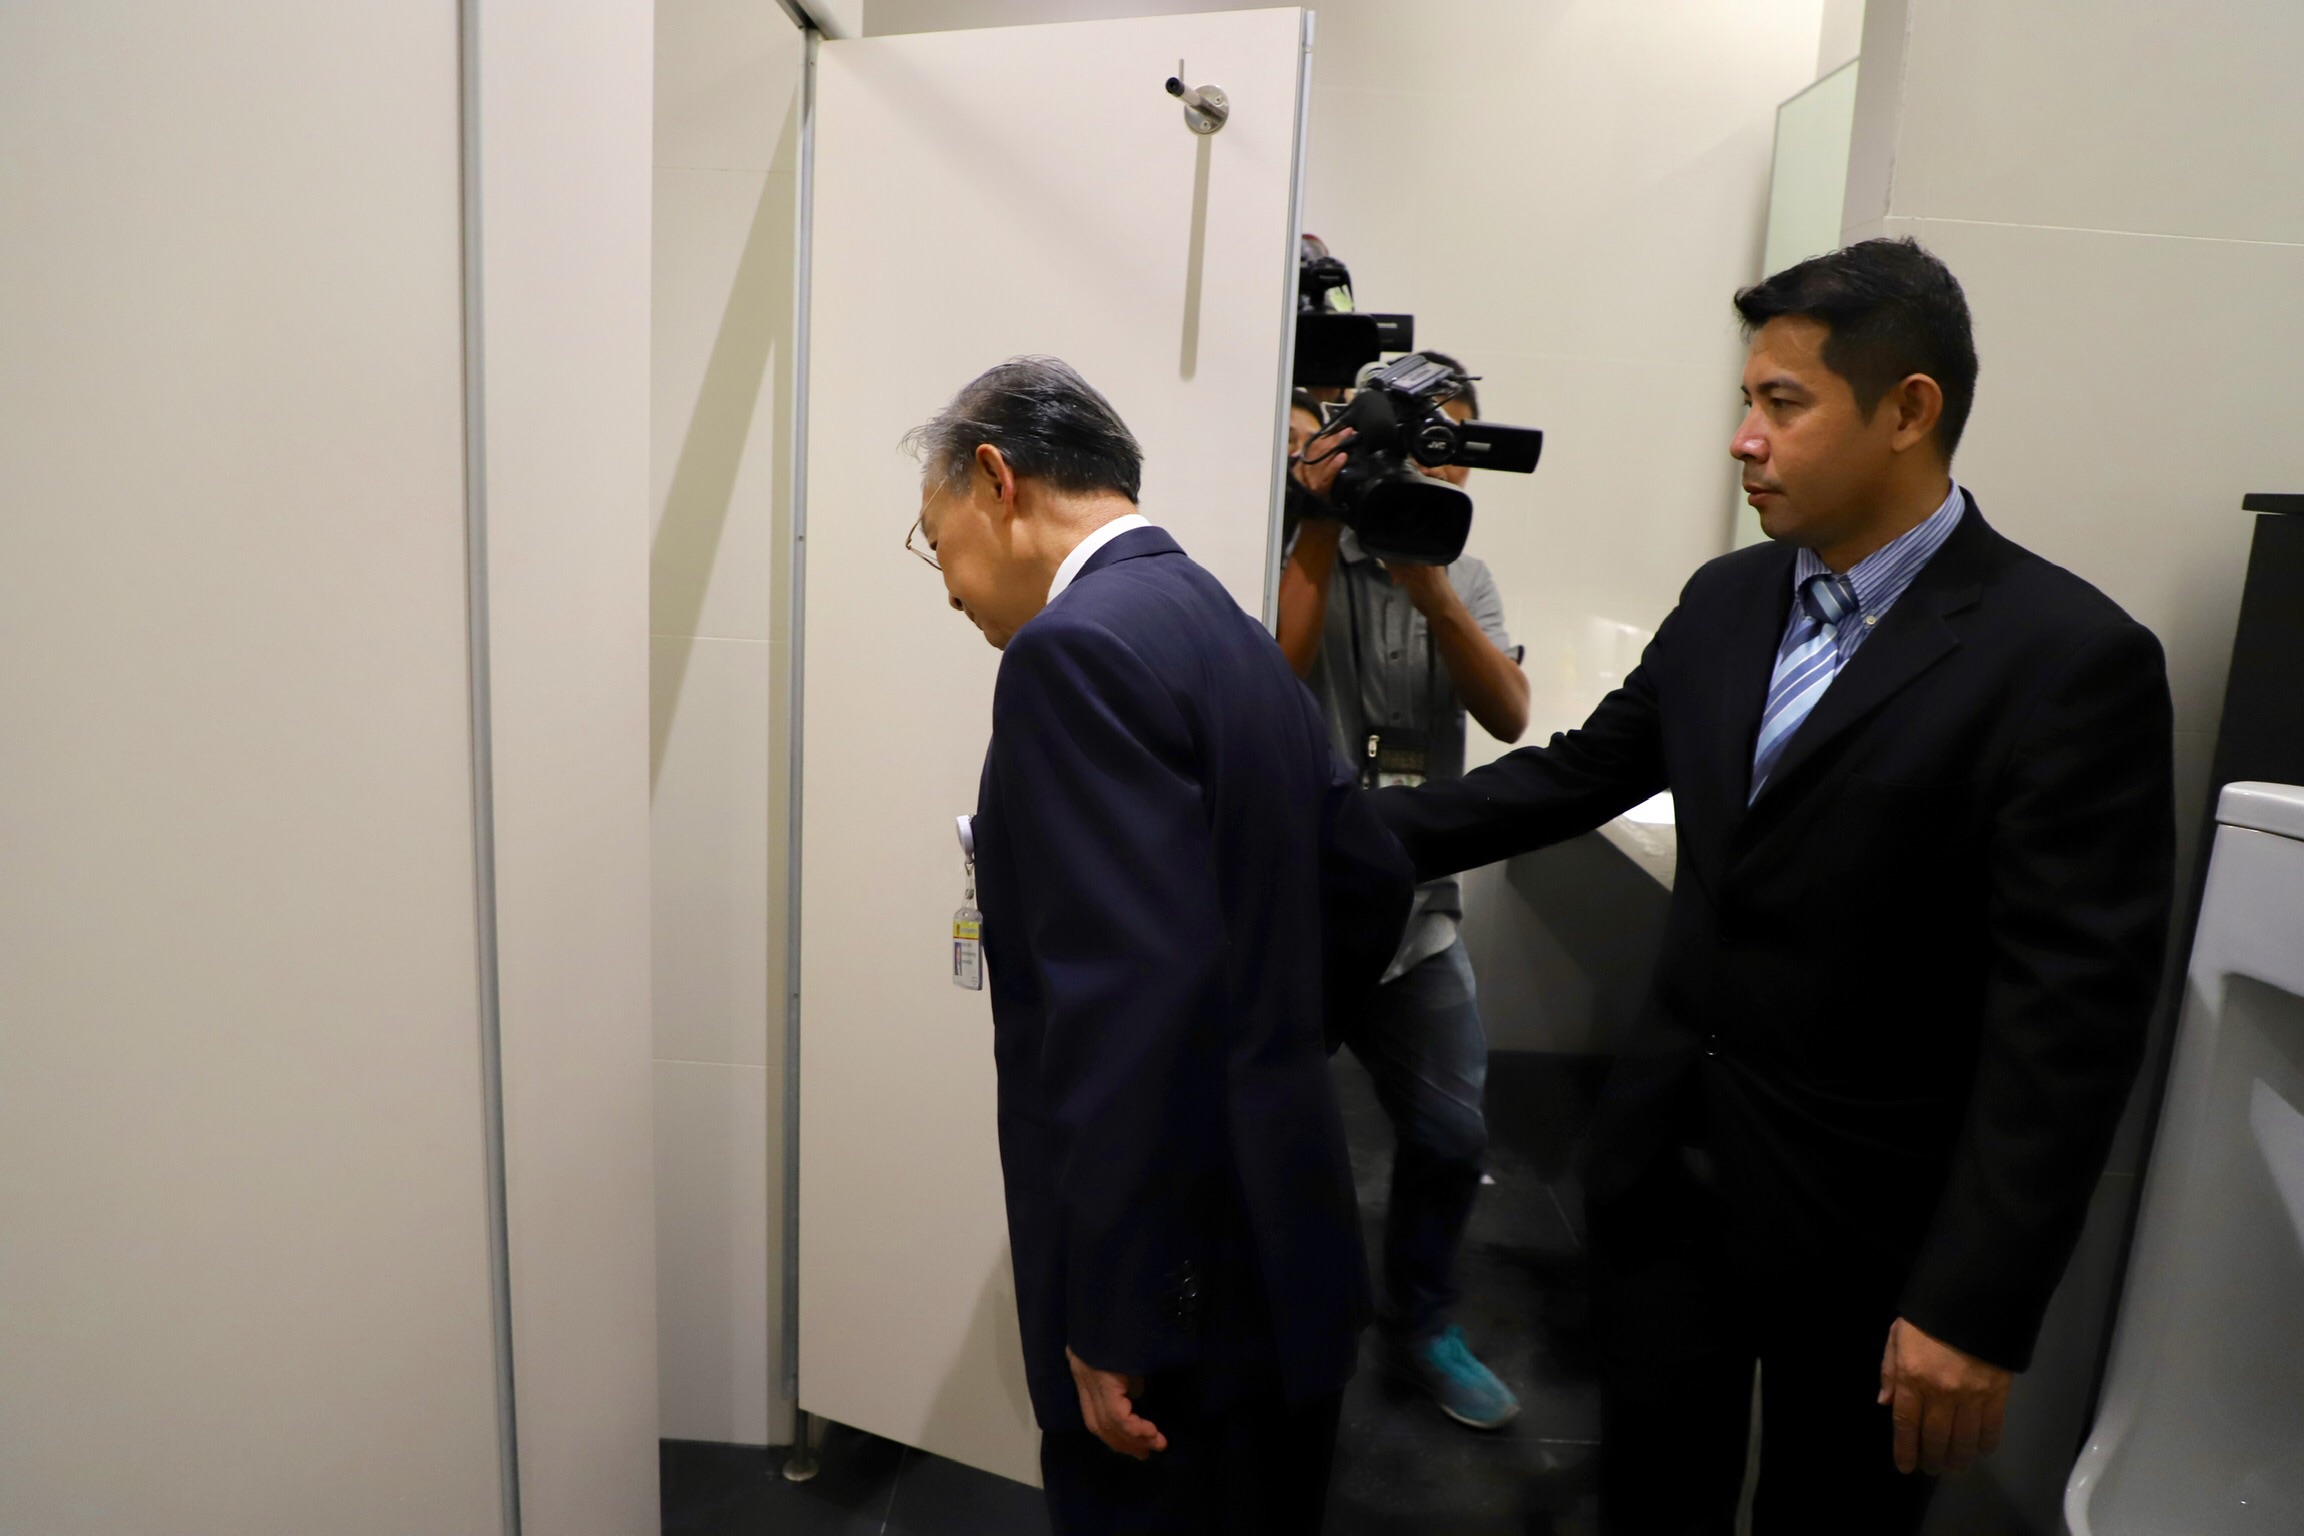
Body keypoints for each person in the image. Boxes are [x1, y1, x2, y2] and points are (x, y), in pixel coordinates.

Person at [1370, 240, 2175, 1533]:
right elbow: (1578, 774)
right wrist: (1338, 832)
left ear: (1910, 410)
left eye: (1781, 404)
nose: (1743, 441)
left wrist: (1973, 1304)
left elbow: (2069, 1032)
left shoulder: (2064, 660)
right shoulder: (1734, 599)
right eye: (1745, 403)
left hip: (1870, 1236)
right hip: (1664, 1182)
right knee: (1655, 1498)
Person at [906, 357, 1413, 1534]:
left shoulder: (1069, 653)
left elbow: (1122, 1018)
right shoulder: (1218, 621)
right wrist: (1268, 1051)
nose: (947, 591)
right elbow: (1368, 875)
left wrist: (1118, 1314)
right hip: (1286, 1237)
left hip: (1182, 1308)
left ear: (998, 480)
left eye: (938, 546)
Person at [1276, 359, 1530, 1430]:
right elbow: (1267, 686)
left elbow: (1511, 714)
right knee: (1276, 1135)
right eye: (1419, 447)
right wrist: (1325, 526)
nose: (1439, 469)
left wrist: (1430, 586)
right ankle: (1281, 1322)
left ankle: (1422, 1325)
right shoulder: (1299, 559)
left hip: (1419, 920)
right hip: (1298, 919)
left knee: (1452, 1136)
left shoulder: (1465, 578)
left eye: (1455, 452)